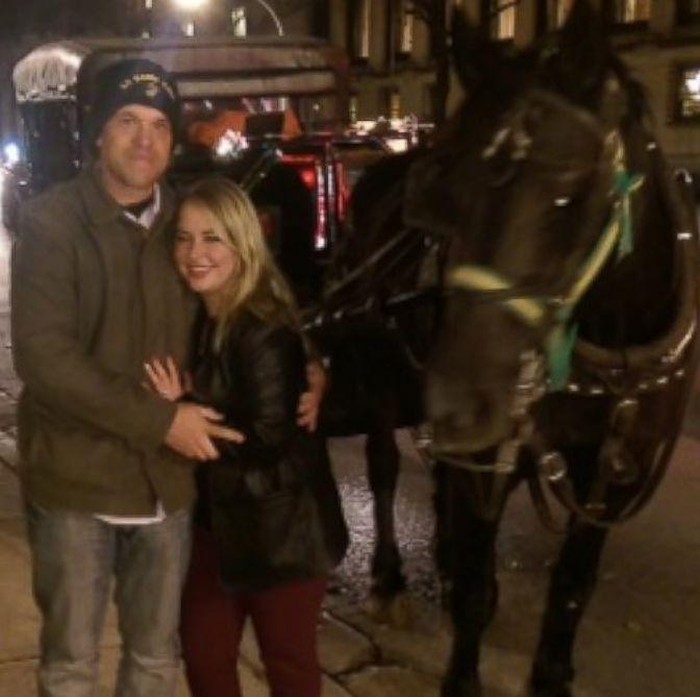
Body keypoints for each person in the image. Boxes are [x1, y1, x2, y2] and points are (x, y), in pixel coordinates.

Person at [11, 58, 320, 697]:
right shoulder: (51, 222)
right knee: (70, 665)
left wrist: (311, 363)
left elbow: (251, 294)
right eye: (127, 120)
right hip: (77, 485)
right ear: (98, 131)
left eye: (158, 124)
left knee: (154, 660)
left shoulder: (188, 221)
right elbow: (44, 359)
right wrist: (162, 420)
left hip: (169, 490)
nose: (144, 139)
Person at [145, 177, 348, 697]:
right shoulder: (205, 313)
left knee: (288, 663)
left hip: (283, 528)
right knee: (205, 655)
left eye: (212, 238)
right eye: (185, 238)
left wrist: (181, 418)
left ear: (242, 242)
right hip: (221, 525)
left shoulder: (261, 327)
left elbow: (267, 436)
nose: (195, 253)